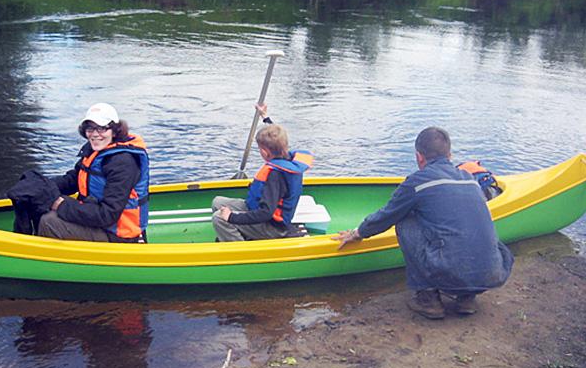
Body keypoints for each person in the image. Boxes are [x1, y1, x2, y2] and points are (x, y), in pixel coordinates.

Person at [333, 127, 513, 320]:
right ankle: (466, 299)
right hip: (493, 272)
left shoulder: (417, 182)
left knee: (405, 221)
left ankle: (428, 299)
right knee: (469, 227)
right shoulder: (469, 179)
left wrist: (358, 232)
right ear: (450, 155)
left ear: (419, 157)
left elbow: (387, 216)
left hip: (452, 271)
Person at [37, 103, 150, 243]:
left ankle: (52, 261)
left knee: (49, 221)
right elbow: (74, 179)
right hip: (100, 222)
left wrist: (61, 205)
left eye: (102, 128)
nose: (95, 134)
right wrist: (42, 185)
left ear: (114, 131)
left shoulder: (123, 163)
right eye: (90, 128)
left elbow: (107, 215)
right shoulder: (95, 150)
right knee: (41, 201)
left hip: (118, 236)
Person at [212, 109, 313, 242]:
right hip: (257, 209)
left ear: (265, 153)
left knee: (219, 218)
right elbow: (277, 136)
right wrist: (265, 118)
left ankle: (240, 250)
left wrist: (231, 217)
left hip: (273, 227)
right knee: (217, 202)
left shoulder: (275, 176)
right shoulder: (287, 156)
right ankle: (241, 234)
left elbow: (266, 213)